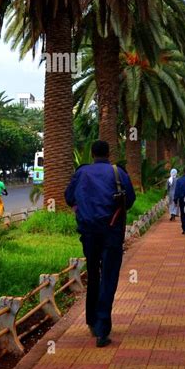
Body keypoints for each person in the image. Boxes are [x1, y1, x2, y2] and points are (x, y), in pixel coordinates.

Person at [65, 140, 135, 348]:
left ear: (93, 154)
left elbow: (68, 197)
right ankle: (102, 328)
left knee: (93, 274)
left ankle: (92, 320)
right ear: (108, 153)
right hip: (112, 233)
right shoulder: (118, 173)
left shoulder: (81, 173)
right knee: (109, 276)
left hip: (88, 233)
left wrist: (84, 207)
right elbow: (129, 200)